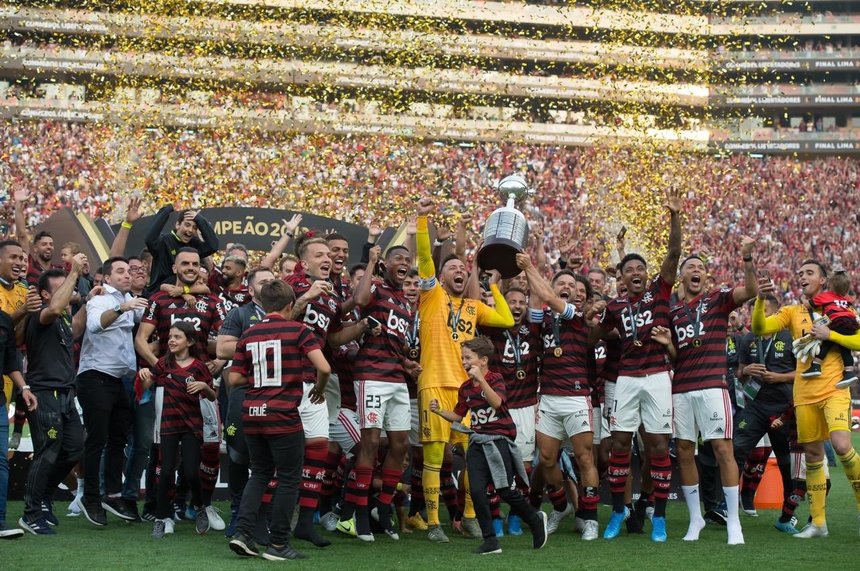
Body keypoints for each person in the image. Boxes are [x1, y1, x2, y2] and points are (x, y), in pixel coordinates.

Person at [414, 196, 515, 543]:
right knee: (434, 457)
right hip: (433, 385)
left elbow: (505, 318)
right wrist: (423, 220)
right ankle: (433, 523)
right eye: (452, 268)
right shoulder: (431, 297)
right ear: (441, 277)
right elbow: (425, 258)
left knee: (473, 455)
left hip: (464, 391)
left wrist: (496, 288)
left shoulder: (473, 306)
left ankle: (471, 516)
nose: (459, 270)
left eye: (463, 268)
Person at [656, 238, 756, 545]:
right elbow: (677, 357)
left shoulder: (718, 299)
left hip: (713, 386)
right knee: (685, 452)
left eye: (701, 267)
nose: (696, 271)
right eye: (691, 267)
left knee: (723, 450)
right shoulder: (673, 312)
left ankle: (733, 523)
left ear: (705, 276)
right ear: (683, 277)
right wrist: (668, 345)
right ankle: (695, 518)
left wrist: (748, 259)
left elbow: (750, 292)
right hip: (682, 388)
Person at [752, 260, 860, 539]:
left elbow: (859, 341)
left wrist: (831, 334)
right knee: (813, 457)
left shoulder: (840, 307)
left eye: (809, 273)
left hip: (835, 389)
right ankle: (819, 524)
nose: (802, 276)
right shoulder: (792, 312)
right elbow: (760, 328)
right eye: (799, 273)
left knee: (841, 445)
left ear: (823, 280)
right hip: (804, 394)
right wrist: (761, 300)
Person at [598, 188, 683, 543]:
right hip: (627, 379)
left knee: (659, 446)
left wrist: (675, 216)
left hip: (659, 377)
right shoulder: (615, 306)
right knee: (619, 444)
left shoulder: (660, 292)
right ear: (622, 276)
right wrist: (596, 322)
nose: (636, 271)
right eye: (629, 268)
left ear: (648, 274)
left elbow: (674, 252)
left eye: (640, 268)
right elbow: (601, 335)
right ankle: (618, 511)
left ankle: (659, 517)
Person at [228, 280, 331, 561]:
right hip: (283, 413)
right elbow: (323, 367)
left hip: (253, 413)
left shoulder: (249, 333)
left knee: (260, 473)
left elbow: (234, 378)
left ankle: (242, 534)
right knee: (288, 479)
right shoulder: (298, 330)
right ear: (290, 305)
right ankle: (278, 544)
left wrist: (261, 378)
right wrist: (319, 391)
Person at [429, 337, 547, 555]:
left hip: (499, 441)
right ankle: (490, 541)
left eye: (468, 358)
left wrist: (481, 381)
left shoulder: (495, 378)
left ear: (483, 361)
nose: (464, 361)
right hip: (477, 442)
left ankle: (534, 519)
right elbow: (458, 415)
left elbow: (497, 402)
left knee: (503, 490)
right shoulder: (465, 388)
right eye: (463, 357)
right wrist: (438, 411)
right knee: (476, 491)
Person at [135, 248, 226, 528]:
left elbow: (228, 339)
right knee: (164, 450)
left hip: (203, 383)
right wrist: (162, 366)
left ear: (201, 268)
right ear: (174, 267)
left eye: (195, 264)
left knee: (208, 447)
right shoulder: (159, 298)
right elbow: (141, 338)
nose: (190, 267)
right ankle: (160, 508)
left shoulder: (212, 300)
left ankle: (201, 505)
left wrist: (220, 361)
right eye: (184, 263)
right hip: (170, 386)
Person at [517, 253, 604, 541]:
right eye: (561, 283)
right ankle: (561, 507)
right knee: (547, 459)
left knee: (584, 457)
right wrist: (529, 275)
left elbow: (546, 296)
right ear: (552, 287)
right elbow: (535, 301)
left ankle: (589, 517)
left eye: (571, 283)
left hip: (576, 395)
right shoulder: (544, 320)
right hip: (549, 398)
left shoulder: (576, 314)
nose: (567, 286)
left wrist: (530, 267)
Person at [345, 244, 414, 541]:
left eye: (407, 259)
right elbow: (358, 300)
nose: (404, 262)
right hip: (371, 376)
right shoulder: (374, 286)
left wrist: (407, 362)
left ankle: (382, 512)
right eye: (397, 258)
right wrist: (371, 262)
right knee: (370, 442)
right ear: (386, 263)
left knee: (400, 445)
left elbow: (395, 344)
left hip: (397, 377)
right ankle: (361, 515)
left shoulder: (407, 303)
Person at [76, 256, 149, 526]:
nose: (127, 274)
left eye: (129, 271)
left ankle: (112, 494)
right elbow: (94, 325)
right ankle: (90, 497)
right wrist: (122, 307)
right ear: (107, 278)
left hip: (122, 379)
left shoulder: (132, 300)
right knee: (97, 439)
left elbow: (152, 318)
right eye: (120, 271)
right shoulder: (100, 300)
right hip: (96, 376)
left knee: (118, 439)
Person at [18, 257, 88, 534]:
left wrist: (88, 301)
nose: (67, 292)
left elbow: (76, 330)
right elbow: (57, 305)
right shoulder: (42, 315)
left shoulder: (60, 319)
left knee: (75, 447)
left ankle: (44, 496)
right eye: (61, 288)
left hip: (66, 393)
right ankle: (31, 514)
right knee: (47, 453)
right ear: (46, 294)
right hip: (45, 393)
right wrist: (73, 271)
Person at [139, 322, 216, 538]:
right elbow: (143, 387)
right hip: (168, 426)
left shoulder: (199, 367)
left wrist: (205, 387)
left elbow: (213, 396)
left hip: (192, 426)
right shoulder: (163, 364)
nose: (171, 340)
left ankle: (199, 507)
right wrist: (144, 375)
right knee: (164, 474)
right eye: (170, 336)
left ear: (190, 342)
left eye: (177, 337)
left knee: (191, 473)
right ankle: (163, 518)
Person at [215, 266, 276, 537]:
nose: (270, 285)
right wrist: (262, 341)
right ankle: (238, 512)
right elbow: (222, 348)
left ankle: (262, 517)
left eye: (273, 281)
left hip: (275, 394)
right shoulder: (240, 313)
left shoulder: (286, 313)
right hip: (243, 392)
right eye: (263, 282)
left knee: (269, 458)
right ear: (250, 290)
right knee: (238, 455)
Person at [480, 285, 540, 536]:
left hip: (526, 406)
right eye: (511, 301)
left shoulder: (533, 329)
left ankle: (516, 515)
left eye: (521, 302)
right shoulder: (492, 328)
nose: (517, 306)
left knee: (524, 468)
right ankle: (495, 517)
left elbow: (537, 296)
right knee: (495, 466)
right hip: (499, 407)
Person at [0, 308, 34, 539]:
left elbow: (10, 359)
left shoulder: (3, 320)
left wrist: (24, 387)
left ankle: (0, 520)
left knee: (1, 460)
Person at [144, 205, 219, 294]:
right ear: (177, 225)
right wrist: (167, 210)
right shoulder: (164, 241)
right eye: (187, 225)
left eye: (195, 227)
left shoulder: (194, 244)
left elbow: (213, 246)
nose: (190, 230)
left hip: (184, 292)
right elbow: (149, 239)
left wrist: (200, 220)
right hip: (160, 293)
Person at [802, 270, 858, 388]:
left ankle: (816, 365)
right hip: (851, 324)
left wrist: (803, 299)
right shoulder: (846, 301)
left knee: (826, 342)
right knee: (845, 349)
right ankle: (849, 372)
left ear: (830, 285)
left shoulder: (826, 296)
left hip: (837, 322)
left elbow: (808, 304)